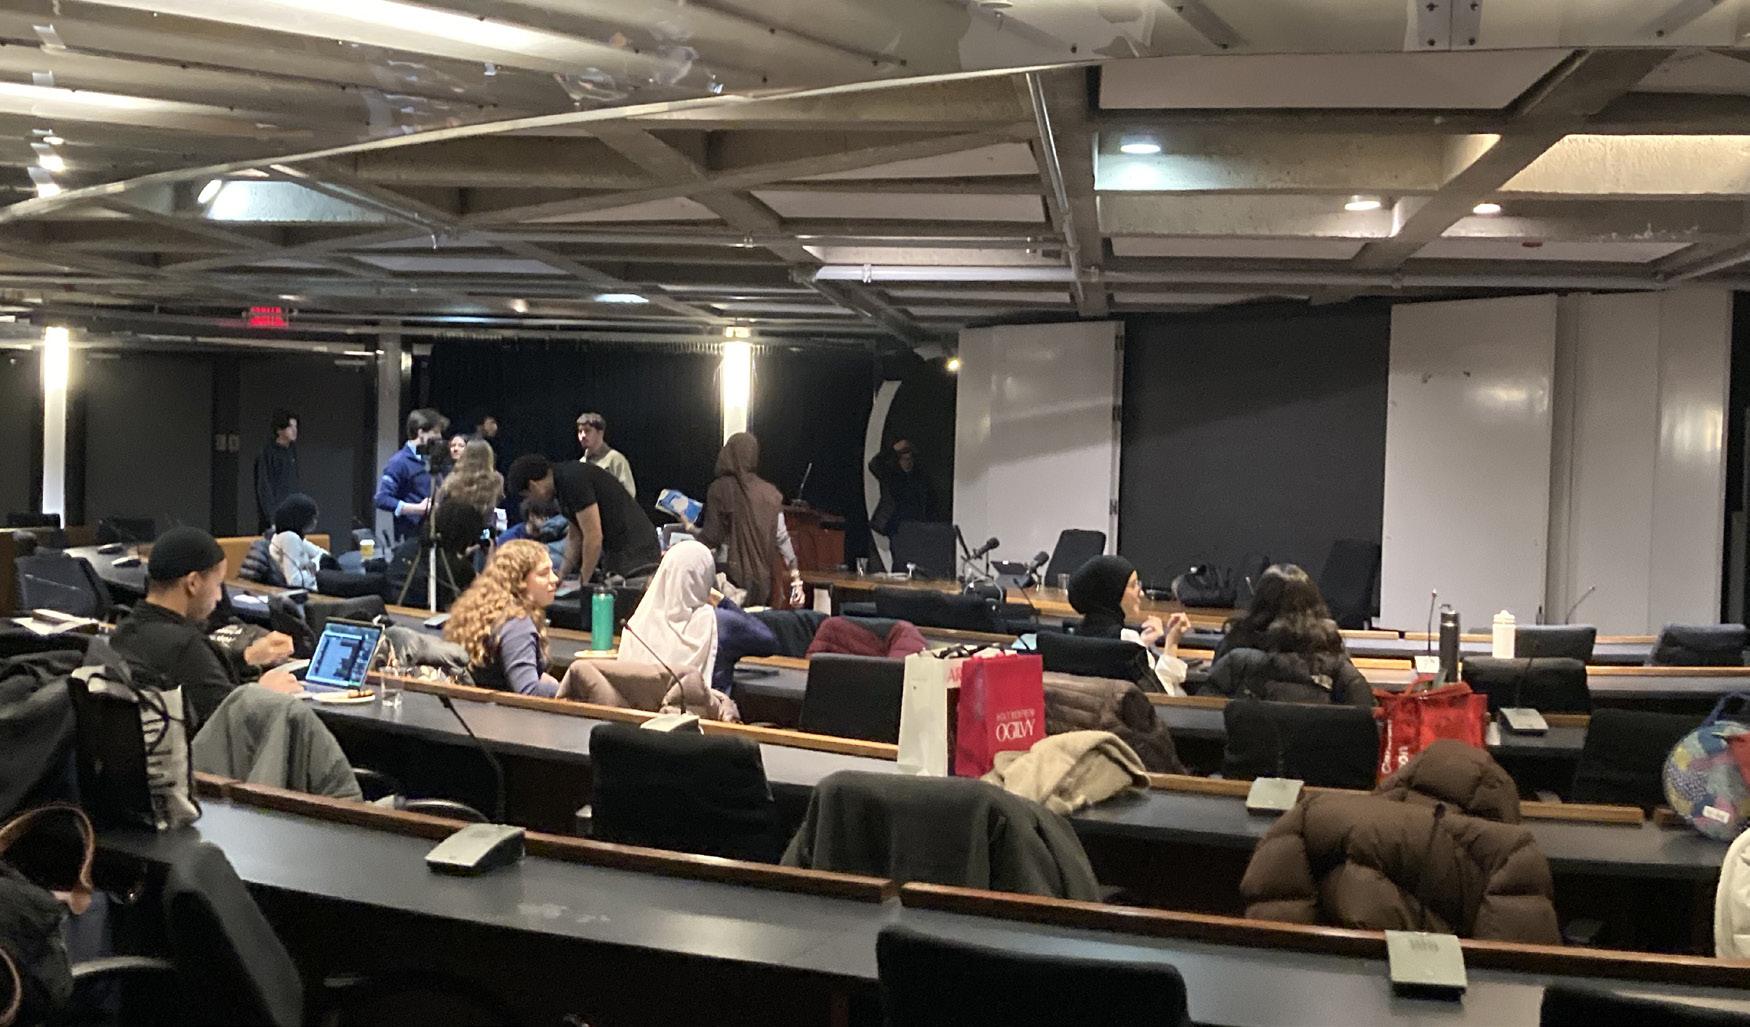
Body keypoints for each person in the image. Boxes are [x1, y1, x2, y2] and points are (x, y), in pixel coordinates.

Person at [110, 527, 301, 725]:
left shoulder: (123, 632)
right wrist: (265, 692)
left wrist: (247, 658)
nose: (219, 597)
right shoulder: (185, 647)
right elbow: (228, 722)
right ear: (193, 583)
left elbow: (198, 681)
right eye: (218, 584)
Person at [1201, 563, 1373, 707]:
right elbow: (1364, 713)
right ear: (1314, 603)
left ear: (1258, 602)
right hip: (1317, 738)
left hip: (1247, 737)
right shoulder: (1331, 654)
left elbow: (1206, 708)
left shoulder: (1236, 645)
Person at [505, 454, 660, 582]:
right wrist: (561, 576)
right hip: (619, 550)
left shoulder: (572, 481)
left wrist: (583, 583)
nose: (531, 501)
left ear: (533, 485)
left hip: (635, 552)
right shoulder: (562, 484)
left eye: (528, 496)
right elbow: (575, 537)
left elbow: (593, 536)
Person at [692, 432, 802, 609]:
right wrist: (796, 580)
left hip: (729, 579)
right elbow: (781, 538)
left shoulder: (720, 489)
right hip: (764, 581)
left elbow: (712, 537)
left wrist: (689, 536)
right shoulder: (770, 493)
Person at [445, 539, 563, 698]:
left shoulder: (485, 612)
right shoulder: (518, 624)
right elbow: (528, 691)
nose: (554, 579)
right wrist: (566, 687)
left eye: (552, 571)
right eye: (543, 573)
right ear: (519, 581)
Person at [1065, 554, 1191, 695]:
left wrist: (1142, 645)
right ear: (1113, 593)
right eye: (1133, 585)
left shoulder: (1075, 636)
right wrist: (1172, 642)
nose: (1141, 593)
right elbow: (1162, 695)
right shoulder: (1127, 641)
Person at [619, 539, 719, 687]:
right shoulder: (716, 620)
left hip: (639, 701)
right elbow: (758, 635)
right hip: (695, 702)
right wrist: (721, 599)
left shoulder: (636, 624)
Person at [387, 500, 484, 609]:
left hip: (395, 610)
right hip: (426, 615)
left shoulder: (408, 546)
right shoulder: (457, 568)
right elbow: (485, 590)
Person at [374, 408, 446, 541]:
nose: (439, 437)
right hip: (411, 537)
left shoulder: (431, 460)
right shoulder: (399, 462)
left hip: (434, 533)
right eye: (435, 432)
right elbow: (382, 499)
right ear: (421, 432)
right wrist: (417, 509)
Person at [867, 437, 934, 569]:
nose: (907, 462)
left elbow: (927, 501)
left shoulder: (919, 477)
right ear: (899, 460)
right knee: (898, 561)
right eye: (904, 459)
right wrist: (893, 449)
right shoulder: (892, 475)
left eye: (910, 459)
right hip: (895, 525)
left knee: (913, 562)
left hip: (914, 525)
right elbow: (874, 464)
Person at [266, 493, 330, 591]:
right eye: (313, 517)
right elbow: (294, 581)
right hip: (294, 592)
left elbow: (325, 556)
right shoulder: (290, 538)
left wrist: (313, 563)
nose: (315, 522)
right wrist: (313, 571)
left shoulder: (290, 536)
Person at [437, 438, 504, 527]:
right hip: (484, 527)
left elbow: (440, 503)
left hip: (455, 527)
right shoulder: (496, 480)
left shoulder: (452, 479)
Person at [253, 408, 299, 533]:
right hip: (274, 515)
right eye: (290, 427)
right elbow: (264, 487)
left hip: (291, 512)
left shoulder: (291, 451)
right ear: (279, 430)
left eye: (296, 426)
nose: (294, 430)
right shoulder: (267, 452)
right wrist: (272, 518)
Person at [576, 411, 636, 500]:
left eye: (587, 431)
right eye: (580, 431)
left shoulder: (615, 459)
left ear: (600, 433)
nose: (583, 435)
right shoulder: (581, 463)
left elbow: (629, 494)